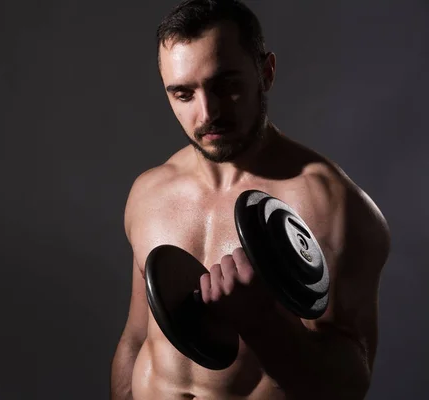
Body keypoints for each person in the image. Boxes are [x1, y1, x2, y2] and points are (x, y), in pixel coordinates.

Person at [109, 0, 390, 399]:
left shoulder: (331, 207)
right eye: (183, 94)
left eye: (226, 85)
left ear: (266, 72)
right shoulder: (150, 192)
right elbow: (136, 340)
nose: (207, 113)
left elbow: (346, 386)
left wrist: (261, 322)